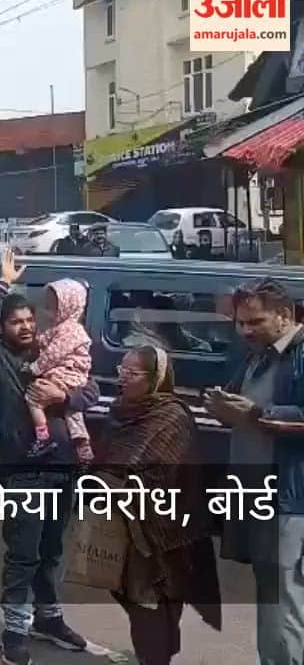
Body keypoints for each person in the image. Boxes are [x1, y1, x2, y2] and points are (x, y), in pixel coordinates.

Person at [0, 248, 93, 665]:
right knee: (23, 553)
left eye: (28, 320)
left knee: (53, 550)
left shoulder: (52, 349)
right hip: (24, 474)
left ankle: (48, 618)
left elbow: (91, 390)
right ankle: (14, 631)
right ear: (3, 328)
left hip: (63, 470)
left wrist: (66, 395)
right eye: (14, 321)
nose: (24, 326)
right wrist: (1, 284)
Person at [204, 278, 304, 665]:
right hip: (259, 496)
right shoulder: (259, 355)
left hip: (291, 502)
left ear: (284, 315)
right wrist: (224, 407)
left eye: (255, 322)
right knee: (271, 599)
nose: (245, 330)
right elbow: (242, 405)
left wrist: (261, 417)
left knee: (284, 605)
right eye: (240, 323)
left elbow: (267, 415)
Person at [102, 345, 222, 665]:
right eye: (120, 371)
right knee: (137, 602)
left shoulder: (172, 417)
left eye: (132, 374)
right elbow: (109, 461)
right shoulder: (120, 411)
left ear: (155, 379)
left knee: (154, 605)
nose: (122, 379)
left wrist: (121, 483)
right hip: (127, 527)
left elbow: (164, 477)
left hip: (165, 534)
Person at [25, 279, 95, 463]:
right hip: (29, 450)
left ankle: (43, 438)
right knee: (73, 415)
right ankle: (82, 445)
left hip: (65, 377)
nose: (48, 313)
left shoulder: (70, 332)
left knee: (34, 400)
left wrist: (62, 395)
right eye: (46, 307)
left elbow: (91, 391)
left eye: (54, 308)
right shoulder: (59, 331)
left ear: (67, 308)